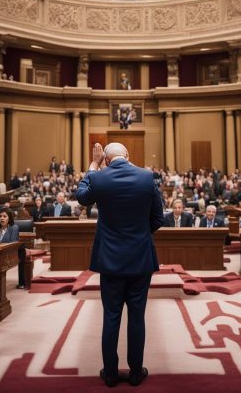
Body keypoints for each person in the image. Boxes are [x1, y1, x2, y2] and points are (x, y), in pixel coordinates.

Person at [76, 142, 164, 388]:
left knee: (111, 317)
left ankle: (111, 374)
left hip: (110, 261)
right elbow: (158, 218)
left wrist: (93, 166)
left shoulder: (99, 177)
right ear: (128, 155)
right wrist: (139, 236)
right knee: (137, 317)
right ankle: (136, 372)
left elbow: (81, 198)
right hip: (140, 260)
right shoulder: (147, 177)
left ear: (105, 158)